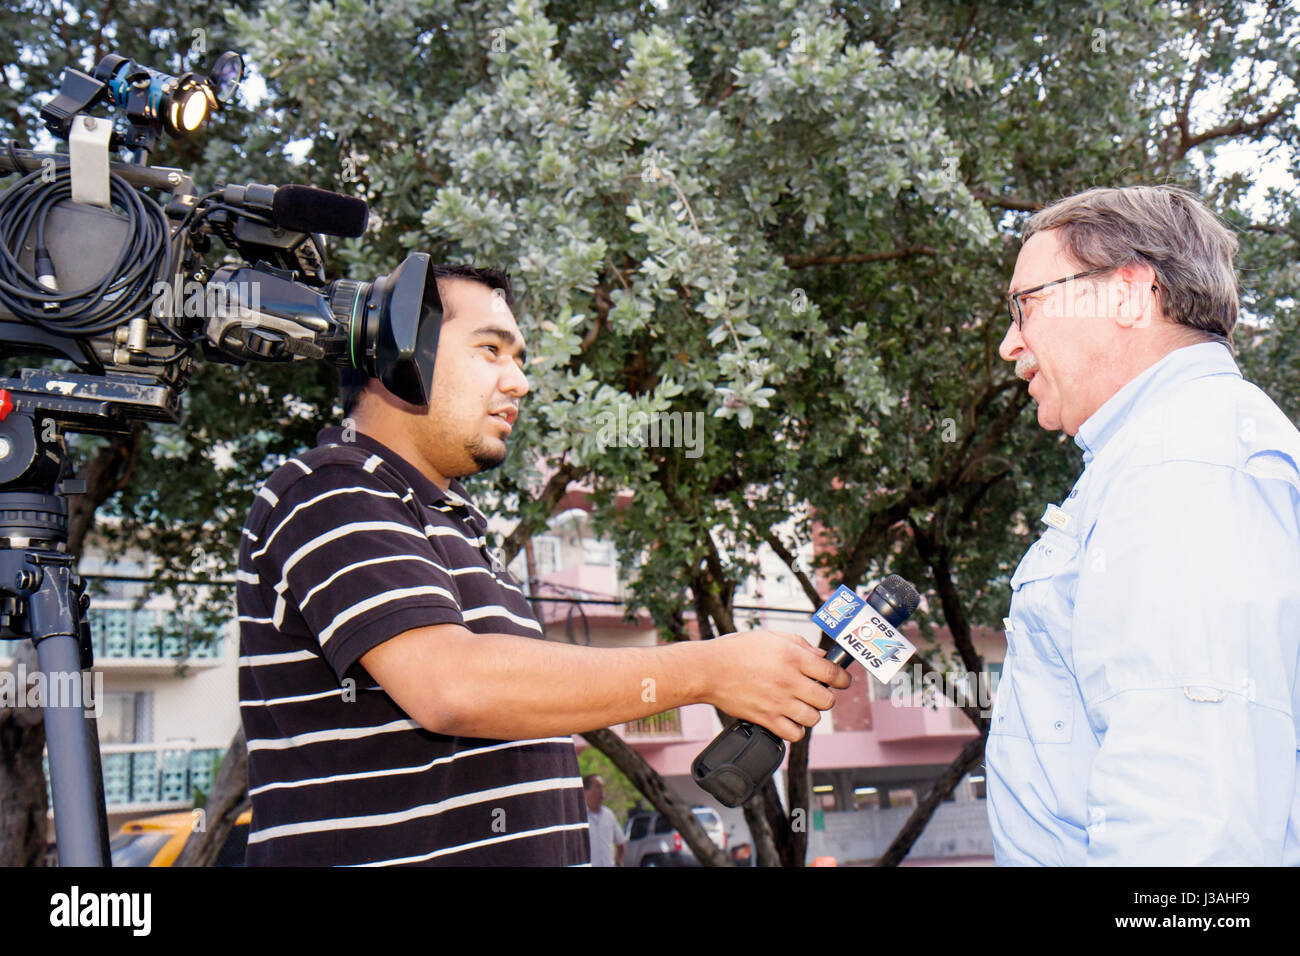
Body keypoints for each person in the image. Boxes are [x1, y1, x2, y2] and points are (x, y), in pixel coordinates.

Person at [237, 264, 851, 866]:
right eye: (490, 350)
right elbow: (452, 686)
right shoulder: (332, 488)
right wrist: (709, 669)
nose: (519, 383)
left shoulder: (449, 521)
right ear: (400, 354)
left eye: (520, 359)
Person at [988, 185, 1300, 865]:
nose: (1012, 344)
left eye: (1026, 305)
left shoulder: (1183, 462)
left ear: (1129, 294)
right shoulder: (1165, 453)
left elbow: (1191, 824)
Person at [583, 775, 626, 867]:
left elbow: (621, 843)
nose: (602, 792)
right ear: (586, 792)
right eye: (598, 787)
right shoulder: (580, 818)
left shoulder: (609, 815)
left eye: (603, 788)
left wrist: (618, 863)